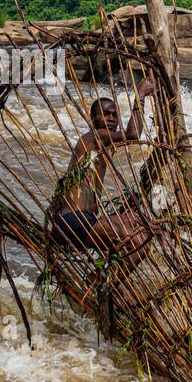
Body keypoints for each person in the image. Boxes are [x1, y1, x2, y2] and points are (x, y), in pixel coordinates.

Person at [50, 82, 155, 267]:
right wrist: (140, 95)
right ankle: (104, 284)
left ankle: (103, 280)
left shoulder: (102, 146)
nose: (112, 118)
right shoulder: (94, 137)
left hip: (84, 220)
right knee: (138, 241)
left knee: (142, 226)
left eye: (115, 115)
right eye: (106, 114)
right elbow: (133, 134)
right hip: (74, 220)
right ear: (93, 119)